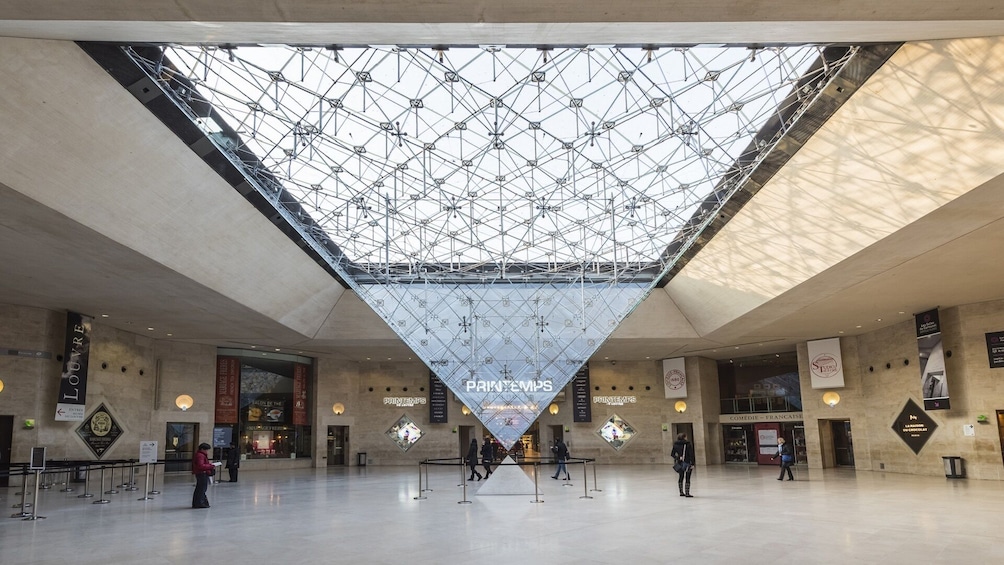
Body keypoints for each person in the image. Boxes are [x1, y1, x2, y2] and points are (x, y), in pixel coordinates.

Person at [670, 433, 695, 497]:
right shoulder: (687, 444)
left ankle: (681, 492)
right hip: (687, 462)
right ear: (684, 437)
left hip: (680, 463)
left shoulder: (675, 444)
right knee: (687, 477)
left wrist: (678, 458)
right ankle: (687, 493)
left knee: (681, 477)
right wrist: (692, 463)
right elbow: (691, 454)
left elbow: (672, 454)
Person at [191, 442, 214, 508]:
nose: (207, 451)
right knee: (202, 489)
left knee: (199, 488)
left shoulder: (200, 455)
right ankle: (200, 503)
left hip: (200, 473)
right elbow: (201, 466)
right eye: (206, 450)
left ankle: (197, 502)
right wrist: (210, 466)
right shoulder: (200, 455)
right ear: (202, 449)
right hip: (202, 473)